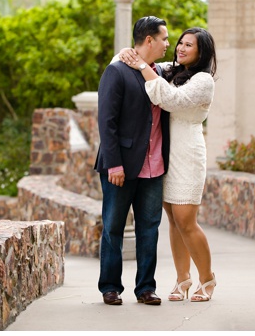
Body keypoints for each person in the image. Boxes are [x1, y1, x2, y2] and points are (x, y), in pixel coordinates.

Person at [118, 27, 217, 302]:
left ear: (202, 52)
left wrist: (140, 64)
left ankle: (207, 278)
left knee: (186, 220)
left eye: (189, 45)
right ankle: (182, 278)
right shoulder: (171, 69)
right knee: (173, 220)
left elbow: (171, 99)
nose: (181, 48)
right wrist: (129, 54)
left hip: (188, 155)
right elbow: (142, 58)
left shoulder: (203, 80)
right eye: (180, 43)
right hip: (166, 154)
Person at [94, 16, 171, 306]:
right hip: (122, 166)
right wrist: (114, 164)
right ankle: (110, 287)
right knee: (113, 226)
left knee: (149, 228)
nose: (167, 44)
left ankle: (145, 289)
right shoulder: (116, 71)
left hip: (154, 167)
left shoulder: (160, 73)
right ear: (148, 40)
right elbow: (107, 122)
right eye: (163, 38)